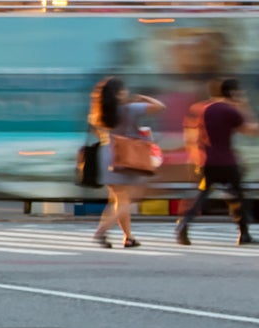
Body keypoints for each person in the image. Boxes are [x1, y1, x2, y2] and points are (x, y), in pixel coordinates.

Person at [175, 78, 257, 246]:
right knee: (238, 195)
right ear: (233, 93)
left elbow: (190, 135)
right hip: (226, 161)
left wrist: (195, 157)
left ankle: (184, 223)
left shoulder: (200, 108)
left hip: (206, 161)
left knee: (203, 194)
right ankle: (244, 234)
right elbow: (251, 130)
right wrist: (244, 105)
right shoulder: (229, 110)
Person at [89, 77, 165, 248]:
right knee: (126, 199)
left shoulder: (97, 113)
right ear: (118, 93)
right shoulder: (130, 108)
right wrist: (144, 98)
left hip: (105, 154)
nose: (127, 92)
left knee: (118, 198)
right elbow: (160, 107)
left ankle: (128, 237)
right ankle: (101, 231)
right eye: (124, 90)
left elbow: (96, 132)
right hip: (125, 156)